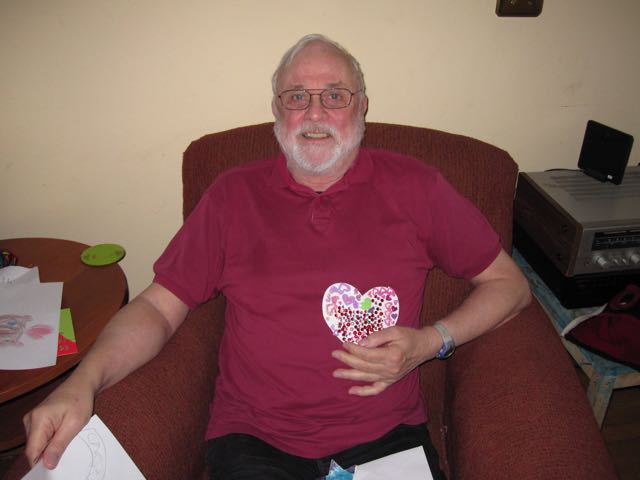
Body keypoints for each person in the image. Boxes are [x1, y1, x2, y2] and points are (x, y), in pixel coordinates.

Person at [23, 34, 531, 479]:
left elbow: (509, 285)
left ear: (362, 107)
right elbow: (158, 307)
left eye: (335, 95)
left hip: (387, 436)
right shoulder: (231, 196)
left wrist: (431, 341)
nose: (315, 113)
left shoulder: (417, 188)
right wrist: (82, 382)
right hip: (255, 442)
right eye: (297, 96)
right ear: (276, 109)